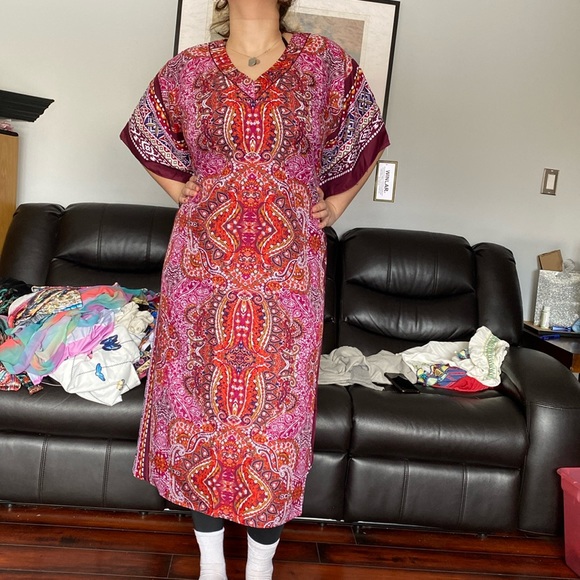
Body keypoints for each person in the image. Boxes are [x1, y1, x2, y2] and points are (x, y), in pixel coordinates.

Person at [120, 0, 389, 578]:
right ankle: (212, 565)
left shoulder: (323, 63)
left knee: (274, 416)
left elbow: (366, 132)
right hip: (203, 271)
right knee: (200, 406)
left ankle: (262, 565)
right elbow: (145, 132)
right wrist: (179, 189)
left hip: (287, 273)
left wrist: (337, 202)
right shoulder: (189, 69)